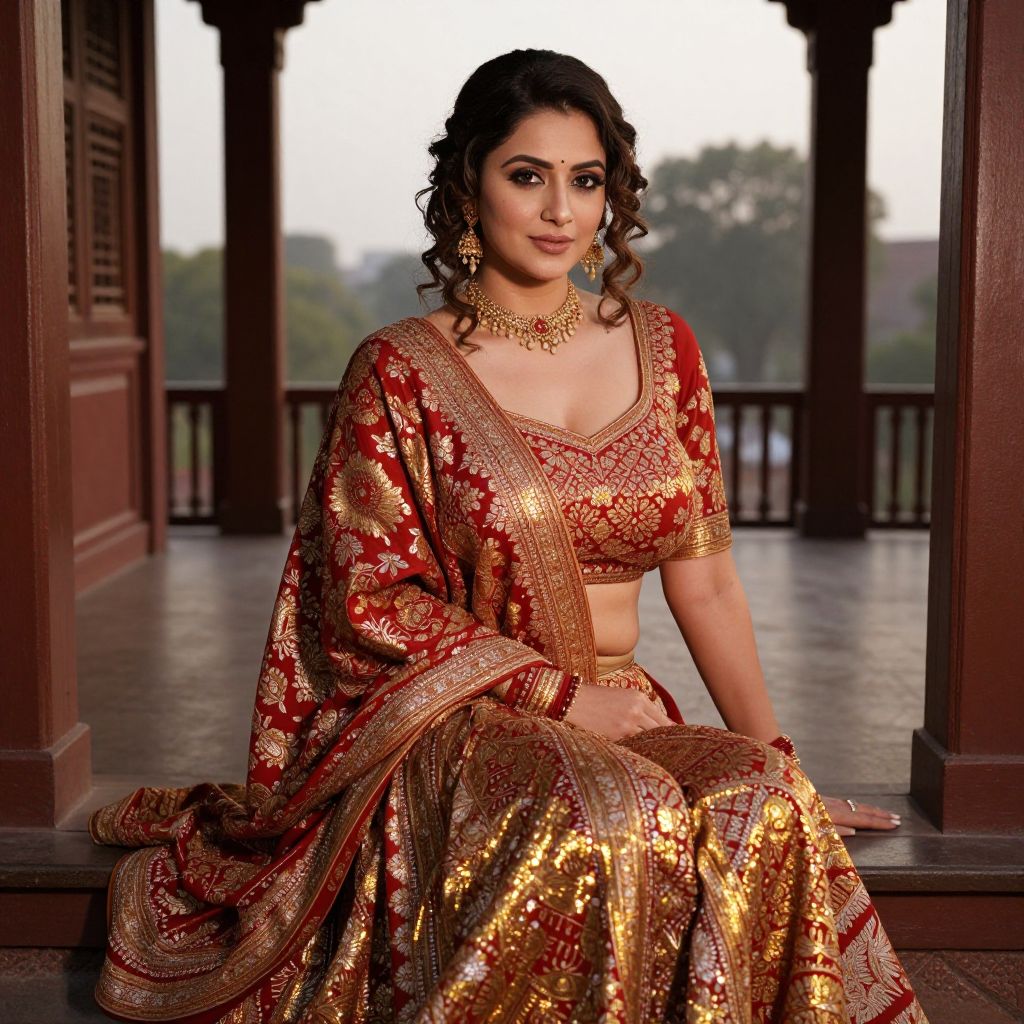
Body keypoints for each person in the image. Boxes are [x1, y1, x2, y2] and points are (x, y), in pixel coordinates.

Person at [88, 49, 929, 1023]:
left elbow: (706, 584)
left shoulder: (666, 349)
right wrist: (557, 694)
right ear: (467, 185)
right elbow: (365, 597)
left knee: (761, 799)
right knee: (618, 816)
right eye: (527, 176)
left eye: (587, 180)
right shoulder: (401, 371)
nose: (561, 210)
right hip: (468, 718)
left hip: (626, 707)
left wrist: (781, 756)